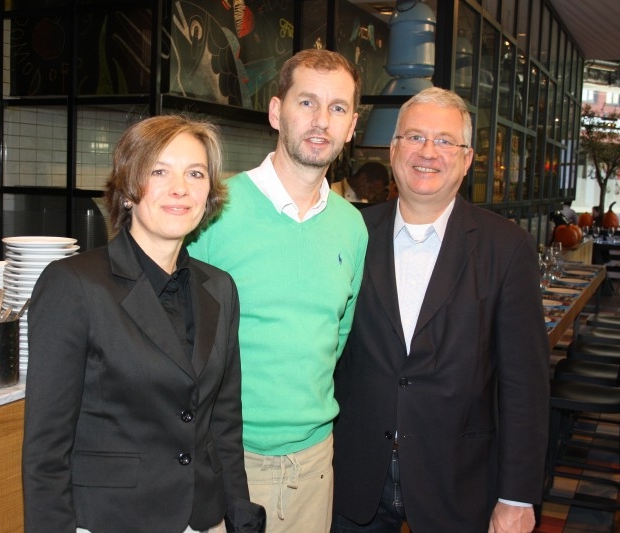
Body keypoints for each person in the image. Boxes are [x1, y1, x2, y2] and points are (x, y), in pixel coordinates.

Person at [22, 115, 264, 533]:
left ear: (209, 194)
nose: (180, 188)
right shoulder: (74, 285)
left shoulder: (220, 288)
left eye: (195, 173)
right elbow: (46, 447)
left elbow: (224, 423)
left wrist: (236, 513)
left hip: (201, 517)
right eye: (159, 171)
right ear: (128, 190)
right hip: (110, 519)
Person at [331, 87, 550, 532]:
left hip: (459, 483)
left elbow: (524, 385)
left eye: (445, 141)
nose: (427, 152)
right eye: (414, 137)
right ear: (393, 150)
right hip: (353, 480)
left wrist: (517, 496)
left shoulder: (507, 249)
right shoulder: (350, 232)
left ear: (467, 159)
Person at [187, 49, 368, 533]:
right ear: (275, 111)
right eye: (306, 102)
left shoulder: (353, 227)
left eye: (337, 108)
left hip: (315, 463)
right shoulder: (214, 208)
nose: (320, 121)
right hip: (225, 458)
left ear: (352, 126)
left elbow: (336, 337)